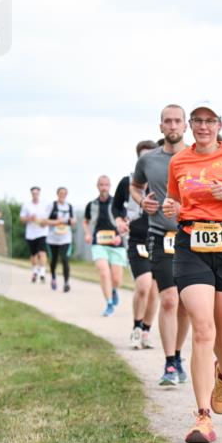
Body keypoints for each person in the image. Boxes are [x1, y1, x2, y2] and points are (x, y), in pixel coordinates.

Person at [162, 100, 222, 443]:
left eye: (209, 121)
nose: (202, 127)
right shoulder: (179, 161)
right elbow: (176, 206)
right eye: (197, 121)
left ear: (219, 124)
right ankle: (202, 417)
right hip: (191, 244)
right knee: (202, 329)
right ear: (189, 126)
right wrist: (174, 209)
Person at [133, 105, 191, 386]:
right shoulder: (148, 160)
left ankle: (178, 355)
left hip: (190, 235)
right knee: (169, 298)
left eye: (177, 121)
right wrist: (141, 201)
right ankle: (169, 364)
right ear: (160, 127)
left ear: (185, 126)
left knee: (186, 304)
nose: (172, 126)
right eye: (167, 121)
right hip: (159, 235)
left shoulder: (196, 157)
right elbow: (136, 186)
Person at [115, 140, 159, 349]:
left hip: (159, 238)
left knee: (154, 290)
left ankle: (147, 331)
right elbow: (116, 208)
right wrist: (119, 221)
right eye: (144, 156)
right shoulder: (128, 182)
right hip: (137, 238)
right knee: (143, 285)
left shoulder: (162, 180)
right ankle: (136, 327)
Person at [84, 176, 126, 316]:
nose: (104, 187)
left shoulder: (117, 203)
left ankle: (113, 291)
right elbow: (85, 221)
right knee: (103, 273)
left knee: (116, 279)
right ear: (97, 186)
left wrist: (120, 236)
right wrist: (88, 234)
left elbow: (126, 222)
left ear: (110, 186)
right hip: (99, 243)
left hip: (116, 243)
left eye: (106, 185)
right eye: (101, 185)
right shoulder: (92, 204)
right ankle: (109, 303)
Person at [46, 187, 75, 292]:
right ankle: (53, 277)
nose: (62, 195)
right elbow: (45, 221)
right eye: (60, 193)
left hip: (65, 238)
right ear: (57, 194)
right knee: (54, 260)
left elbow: (73, 220)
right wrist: (57, 222)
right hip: (52, 238)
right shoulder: (52, 206)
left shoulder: (70, 207)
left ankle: (66, 283)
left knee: (65, 259)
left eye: (64, 193)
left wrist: (71, 222)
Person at [19, 186, 49, 283]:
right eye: (33, 193)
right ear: (31, 194)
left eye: (37, 193)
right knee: (34, 254)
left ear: (39, 194)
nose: (35, 195)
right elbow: (22, 219)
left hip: (42, 232)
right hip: (31, 233)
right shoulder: (27, 205)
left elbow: (48, 218)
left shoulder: (44, 204)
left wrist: (45, 223)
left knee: (42, 252)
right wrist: (29, 218)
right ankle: (35, 270)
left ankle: (42, 272)